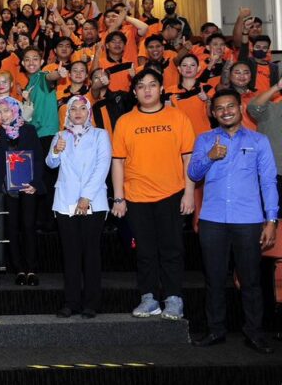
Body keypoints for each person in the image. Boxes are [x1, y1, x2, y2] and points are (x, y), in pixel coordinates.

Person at [188, 89, 277, 354]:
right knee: (214, 279)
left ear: (240, 108)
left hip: (248, 220)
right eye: (220, 108)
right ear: (213, 113)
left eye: (230, 106)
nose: (225, 111)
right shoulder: (205, 139)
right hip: (213, 219)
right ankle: (216, 330)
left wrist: (271, 220)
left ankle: (254, 333)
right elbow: (193, 173)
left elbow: (268, 182)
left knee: (250, 280)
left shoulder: (259, 141)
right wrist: (210, 156)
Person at [111, 69, 195, 320]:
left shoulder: (178, 117)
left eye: (152, 85)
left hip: (171, 194)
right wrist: (119, 197)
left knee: (172, 249)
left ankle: (173, 298)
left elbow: (188, 158)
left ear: (161, 89)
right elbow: (118, 162)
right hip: (136, 196)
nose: (147, 90)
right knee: (145, 251)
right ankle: (148, 298)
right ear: (134, 92)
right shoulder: (125, 121)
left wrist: (189, 193)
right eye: (141, 86)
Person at [46, 96, 112, 319]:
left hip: (93, 201)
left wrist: (86, 197)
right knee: (70, 254)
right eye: (73, 109)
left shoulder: (100, 135)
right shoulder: (60, 135)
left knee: (91, 253)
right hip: (65, 202)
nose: (77, 112)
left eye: (82, 108)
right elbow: (50, 164)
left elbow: (103, 166)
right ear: (67, 113)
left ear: (88, 112)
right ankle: (71, 302)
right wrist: (56, 151)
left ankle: (91, 303)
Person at [0, 96, 46, 286]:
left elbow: (38, 159)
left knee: (28, 226)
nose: (2, 116)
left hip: (28, 187)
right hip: (7, 189)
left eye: (6, 111)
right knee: (11, 227)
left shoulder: (29, 130)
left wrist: (35, 183)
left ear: (15, 110)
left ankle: (31, 269)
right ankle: (18, 269)